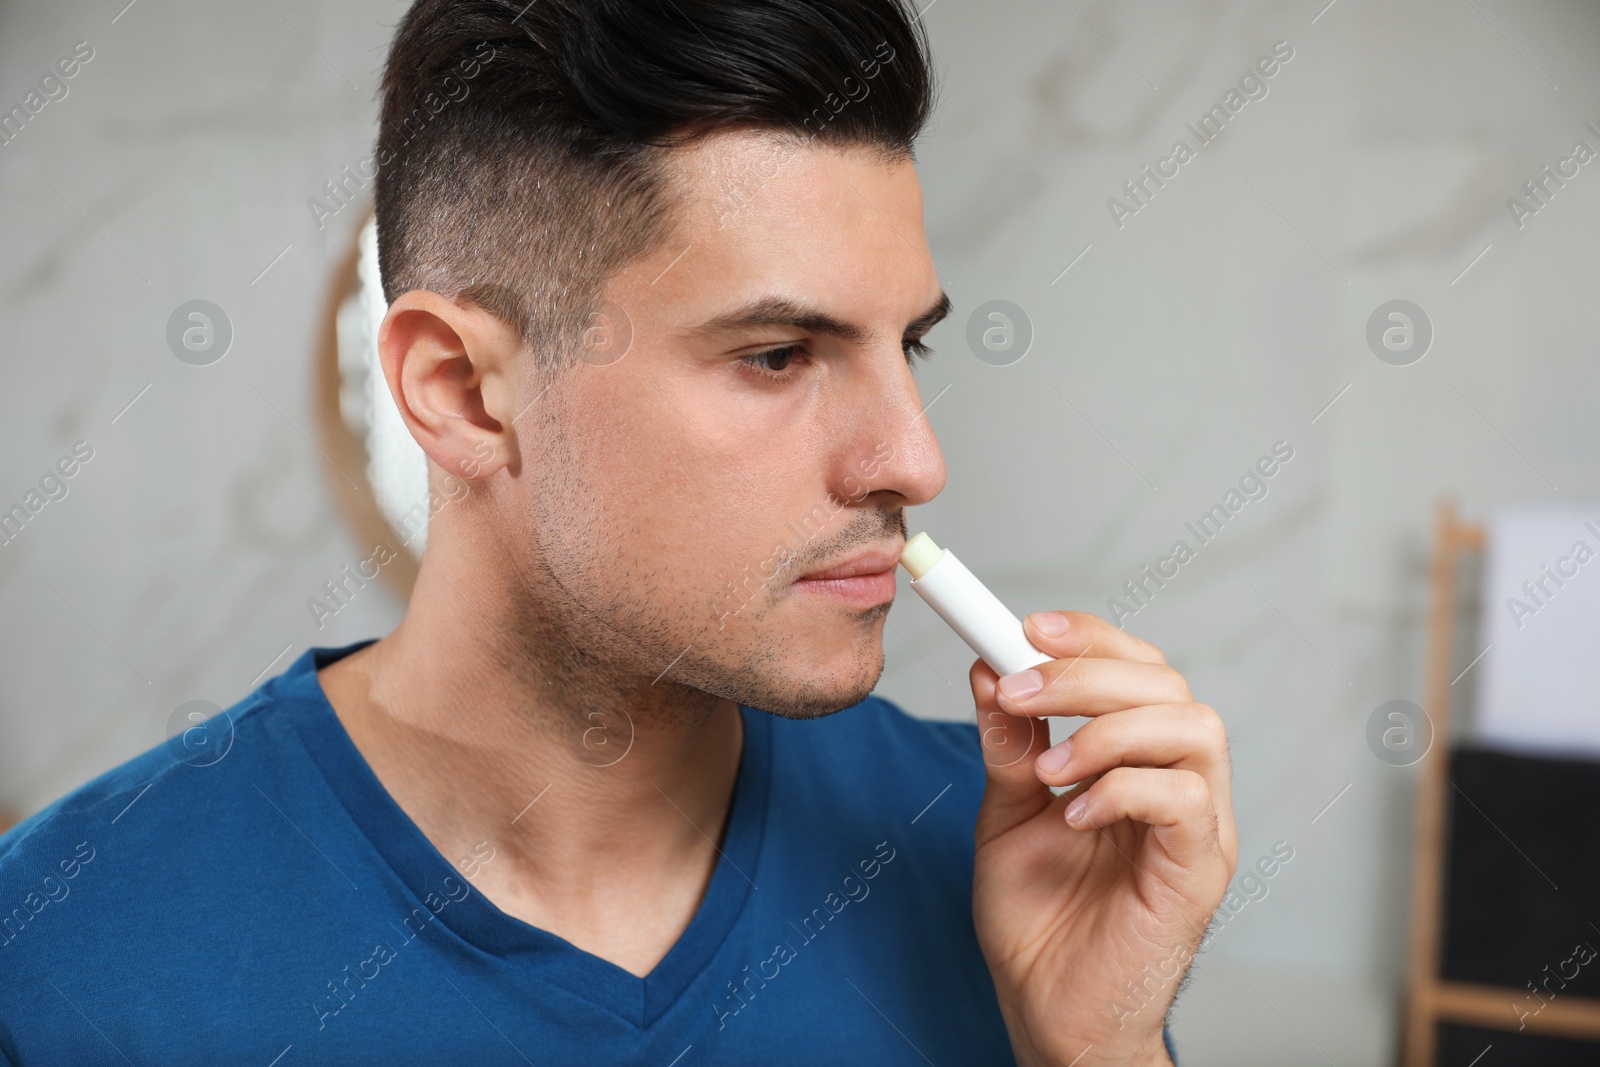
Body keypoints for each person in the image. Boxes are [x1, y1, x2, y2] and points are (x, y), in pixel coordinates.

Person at [0, 0, 1236, 1062]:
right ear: (460, 390)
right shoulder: (62, 952)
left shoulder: (1008, 847)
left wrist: (1095, 1045)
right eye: (776, 353)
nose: (913, 458)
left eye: (904, 344)